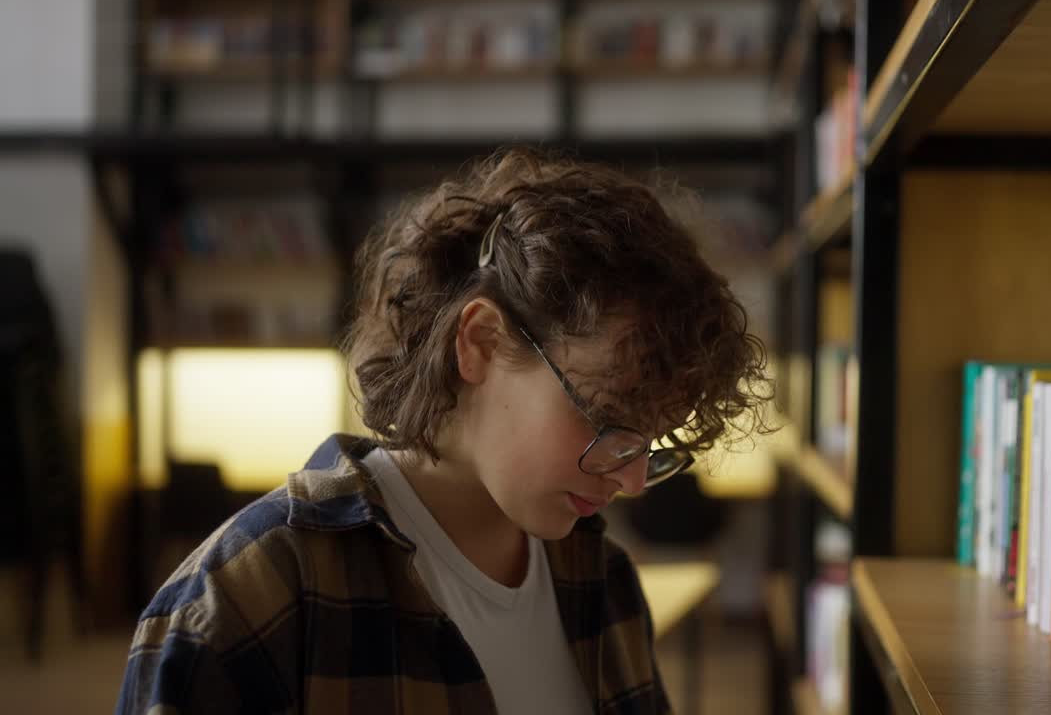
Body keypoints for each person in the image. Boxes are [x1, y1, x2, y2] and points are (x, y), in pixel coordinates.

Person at [116, 148, 771, 714]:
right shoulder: (250, 600)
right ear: (480, 342)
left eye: (650, 443)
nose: (632, 480)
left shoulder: (603, 581)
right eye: (605, 420)